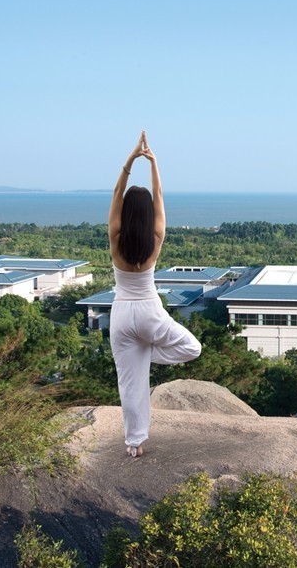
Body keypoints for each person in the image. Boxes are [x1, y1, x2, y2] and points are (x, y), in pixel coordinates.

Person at [109, 131, 201, 457]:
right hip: (149, 311)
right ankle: (148, 354)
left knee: (130, 384)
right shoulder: (156, 237)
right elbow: (158, 193)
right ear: (148, 215)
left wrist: (131, 159)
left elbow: (118, 191)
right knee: (192, 347)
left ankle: (135, 443)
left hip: (121, 314)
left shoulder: (116, 237)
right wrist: (154, 162)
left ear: (124, 214)